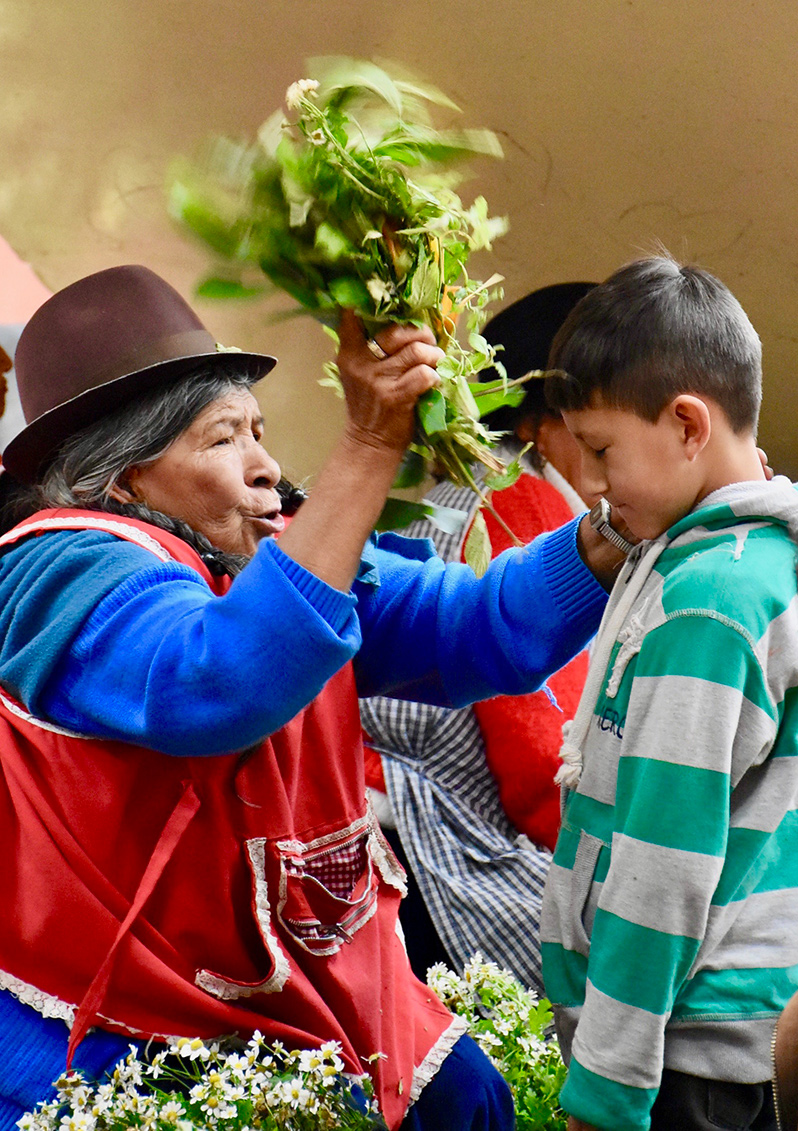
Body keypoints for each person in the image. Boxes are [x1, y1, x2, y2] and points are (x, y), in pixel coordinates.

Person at [0, 265, 626, 1131]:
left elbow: (476, 626)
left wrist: (617, 527)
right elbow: (216, 681)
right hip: (104, 1014)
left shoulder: (273, 555)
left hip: (279, 979)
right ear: (125, 478)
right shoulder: (56, 564)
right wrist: (367, 447)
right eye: (223, 440)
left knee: (465, 1097)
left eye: (259, 432)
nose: (266, 467)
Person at [539, 255, 798, 1131]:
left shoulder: (709, 603)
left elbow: (663, 861)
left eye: (602, 450)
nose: (593, 483)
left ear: (688, 424)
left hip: (685, 1057)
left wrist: (604, 1089)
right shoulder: (726, 564)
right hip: (713, 1037)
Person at [360, 283, 596, 988]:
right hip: (441, 856)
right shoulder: (521, 506)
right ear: (537, 422)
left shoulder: (420, 498)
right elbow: (544, 769)